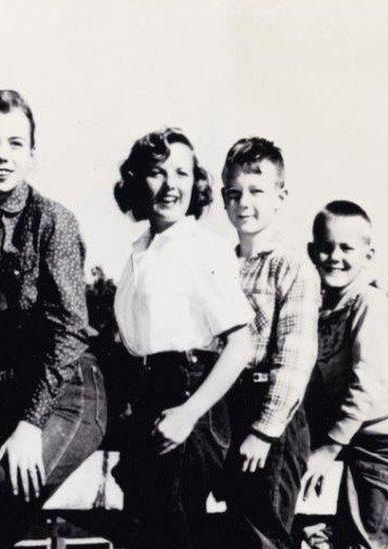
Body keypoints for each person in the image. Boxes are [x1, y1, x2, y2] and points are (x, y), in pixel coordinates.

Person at [0, 90, 107, 548]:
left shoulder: (53, 221)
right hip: (5, 401)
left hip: (69, 391)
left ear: (32, 155)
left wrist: (31, 425)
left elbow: (71, 327)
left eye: (16, 144)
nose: (1, 156)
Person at [111, 128, 253, 548]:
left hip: (189, 397)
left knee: (171, 533)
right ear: (137, 180)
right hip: (147, 399)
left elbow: (240, 344)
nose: (171, 185)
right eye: (158, 172)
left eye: (183, 173)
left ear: (198, 182)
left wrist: (189, 414)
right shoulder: (140, 250)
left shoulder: (203, 248)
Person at [301, 200, 388, 549]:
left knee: (369, 542)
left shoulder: (370, 305)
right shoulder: (324, 307)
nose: (334, 257)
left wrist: (328, 449)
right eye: (326, 247)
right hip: (358, 440)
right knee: (344, 538)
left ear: (368, 256)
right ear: (312, 251)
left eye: (346, 248)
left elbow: (365, 385)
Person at [218, 137, 319, 548]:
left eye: (257, 191)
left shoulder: (291, 265)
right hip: (231, 408)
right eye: (234, 193)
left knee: (266, 529)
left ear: (281, 196)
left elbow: (296, 355)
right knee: (239, 527)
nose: (245, 202)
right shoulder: (223, 264)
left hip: (271, 418)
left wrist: (265, 430)